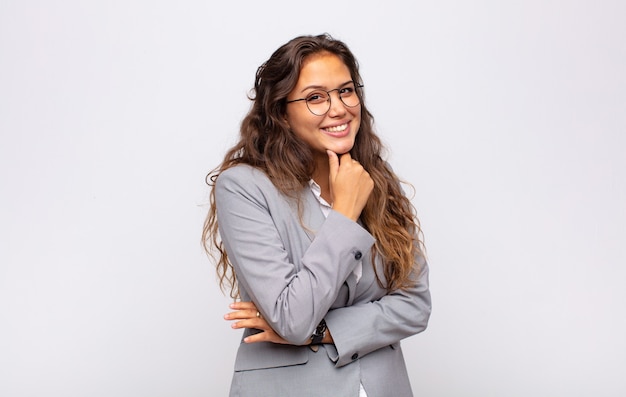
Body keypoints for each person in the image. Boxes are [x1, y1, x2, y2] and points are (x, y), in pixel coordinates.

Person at [202, 33, 431, 397]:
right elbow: (292, 318)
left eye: (346, 91)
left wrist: (321, 333)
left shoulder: (377, 181)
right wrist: (344, 213)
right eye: (315, 98)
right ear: (281, 113)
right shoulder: (243, 187)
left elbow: (415, 306)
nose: (339, 108)